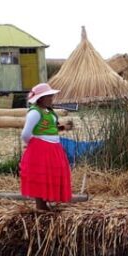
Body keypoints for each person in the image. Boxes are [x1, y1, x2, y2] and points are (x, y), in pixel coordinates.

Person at [20, 82, 73, 211]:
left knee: (50, 174)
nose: (51, 98)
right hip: (41, 148)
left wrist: (62, 128)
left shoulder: (48, 111)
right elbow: (25, 134)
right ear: (41, 98)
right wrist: (35, 145)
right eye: (49, 96)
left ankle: (45, 204)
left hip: (53, 147)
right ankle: (41, 207)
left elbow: (51, 128)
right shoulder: (35, 112)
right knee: (41, 175)